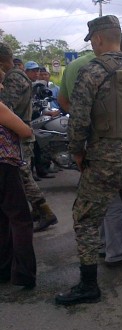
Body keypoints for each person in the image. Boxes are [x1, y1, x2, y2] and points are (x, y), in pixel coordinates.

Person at [55, 15, 122, 305]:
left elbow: (78, 120)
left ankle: (89, 285)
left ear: (98, 39)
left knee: (86, 219)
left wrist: (77, 151)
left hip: (102, 158)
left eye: (92, 41)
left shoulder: (92, 72)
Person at [57, 33, 122, 269]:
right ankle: (116, 252)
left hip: (93, 149)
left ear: (98, 40)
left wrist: (77, 150)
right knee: (115, 204)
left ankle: (102, 251)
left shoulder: (75, 67)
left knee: (94, 206)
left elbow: (67, 105)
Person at [0, 46, 58, 232]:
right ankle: (36, 209)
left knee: (23, 174)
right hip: (18, 130)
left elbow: (7, 107)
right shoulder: (16, 76)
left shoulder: (14, 78)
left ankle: (45, 211)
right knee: (23, 174)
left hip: (17, 132)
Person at [0, 96, 37, 289]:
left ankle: (3, 269)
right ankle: (24, 273)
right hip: (4, 167)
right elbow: (25, 130)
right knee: (20, 219)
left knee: (2, 220)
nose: (3, 87)